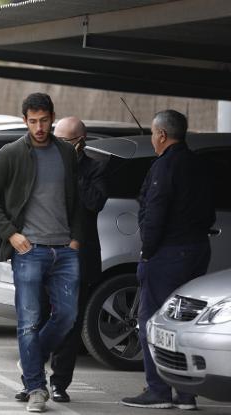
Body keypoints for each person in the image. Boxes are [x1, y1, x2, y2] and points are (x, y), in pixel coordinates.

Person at [0, 92, 83, 413]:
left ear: (53, 118)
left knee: (67, 316)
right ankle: (36, 387)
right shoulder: (11, 154)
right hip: (28, 251)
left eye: (44, 120)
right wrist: (11, 234)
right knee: (28, 322)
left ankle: (31, 360)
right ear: (25, 120)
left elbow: (76, 199)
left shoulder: (66, 152)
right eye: (33, 121)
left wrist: (76, 239)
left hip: (64, 250)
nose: (39, 127)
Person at [120, 110, 215, 410]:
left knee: (152, 320)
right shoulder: (200, 164)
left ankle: (158, 390)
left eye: (152, 133)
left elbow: (155, 213)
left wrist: (146, 253)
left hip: (168, 254)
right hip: (198, 249)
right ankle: (186, 394)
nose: (152, 137)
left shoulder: (165, 167)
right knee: (184, 322)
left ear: (161, 135)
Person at [19, 117, 107, 403]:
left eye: (63, 141)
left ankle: (59, 382)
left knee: (67, 321)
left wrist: (72, 169)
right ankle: (32, 382)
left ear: (79, 142)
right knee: (35, 319)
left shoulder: (95, 168)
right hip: (41, 252)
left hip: (75, 256)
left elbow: (94, 202)